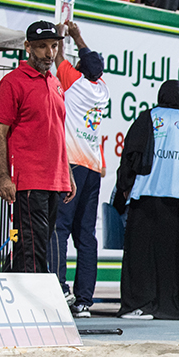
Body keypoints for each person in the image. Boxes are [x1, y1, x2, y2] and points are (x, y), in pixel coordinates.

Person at [115, 80, 179, 320]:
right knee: (174, 257)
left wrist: (124, 185)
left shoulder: (147, 118)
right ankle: (174, 307)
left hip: (147, 194)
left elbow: (131, 154)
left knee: (142, 254)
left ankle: (139, 305)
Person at [0, 21, 76, 279]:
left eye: (53, 46)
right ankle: (32, 313)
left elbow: (57, 133)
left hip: (54, 179)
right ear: (28, 47)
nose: (49, 53)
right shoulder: (12, 82)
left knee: (33, 247)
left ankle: (8, 302)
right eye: (41, 47)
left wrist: (68, 174)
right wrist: (4, 177)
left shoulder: (55, 83)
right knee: (33, 250)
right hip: (28, 180)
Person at [50, 22, 109, 318]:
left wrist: (67, 35)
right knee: (86, 235)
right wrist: (80, 40)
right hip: (93, 168)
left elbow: (58, 57)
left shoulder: (74, 82)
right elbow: (91, 64)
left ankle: (59, 288)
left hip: (71, 165)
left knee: (59, 227)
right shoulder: (102, 89)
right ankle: (84, 299)